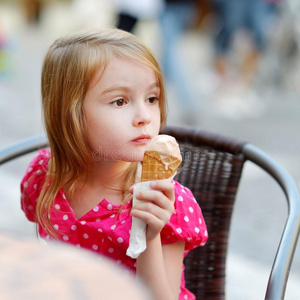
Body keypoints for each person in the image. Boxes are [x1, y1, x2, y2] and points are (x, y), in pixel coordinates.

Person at [20, 28, 208, 300]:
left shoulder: (167, 201)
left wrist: (150, 235)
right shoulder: (45, 175)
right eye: (120, 101)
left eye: (152, 99)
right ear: (70, 114)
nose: (144, 117)